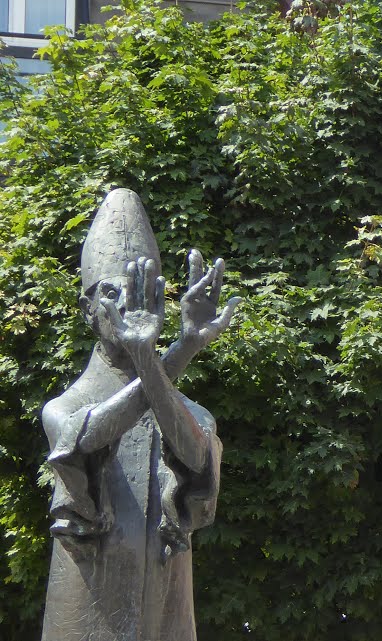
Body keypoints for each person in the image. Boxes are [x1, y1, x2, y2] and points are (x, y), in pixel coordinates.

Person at [40, 189, 241, 641]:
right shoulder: (65, 406)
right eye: (112, 294)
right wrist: (172, 353)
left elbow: (197, 457)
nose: (128, 307)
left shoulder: (187, 411)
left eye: (140, 294)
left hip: (165, 608)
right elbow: (82, 439)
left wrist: (181, 346)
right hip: (87, 610)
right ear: (86, 309)